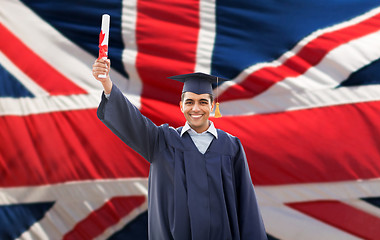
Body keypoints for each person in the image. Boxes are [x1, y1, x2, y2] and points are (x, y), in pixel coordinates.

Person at [92, 58, 267, 240]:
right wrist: (107, 83)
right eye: (190, 102)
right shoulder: (161, 141)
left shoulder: (231, 147)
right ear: (181, 105)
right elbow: (132, 120)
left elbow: (246, 204)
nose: (196, 108)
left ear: (213, 106)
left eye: (203, 102)